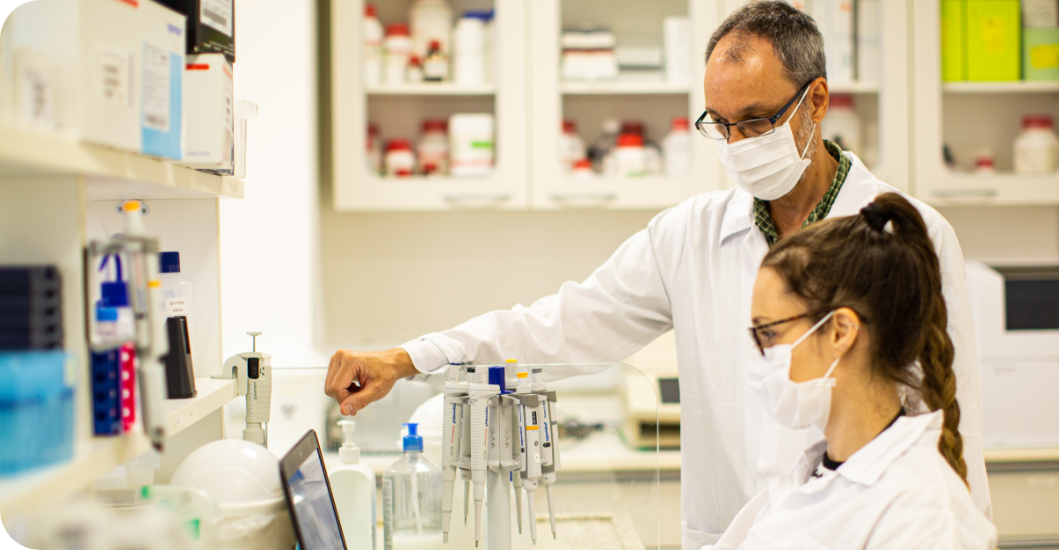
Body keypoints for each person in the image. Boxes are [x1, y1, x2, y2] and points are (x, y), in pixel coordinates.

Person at [324, 3, 991, 548]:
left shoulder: (909, 235)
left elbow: (953, 417)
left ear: (815, 101)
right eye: (719, 124)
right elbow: (561, 326)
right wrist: (410, 357)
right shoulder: (689, 235)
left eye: (756, 121)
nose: (736, 145)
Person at [704, 193, 996, 549]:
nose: (759, 354)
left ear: (841, 331)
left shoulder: (924, 516)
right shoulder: (812, 476)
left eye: (768, 333)